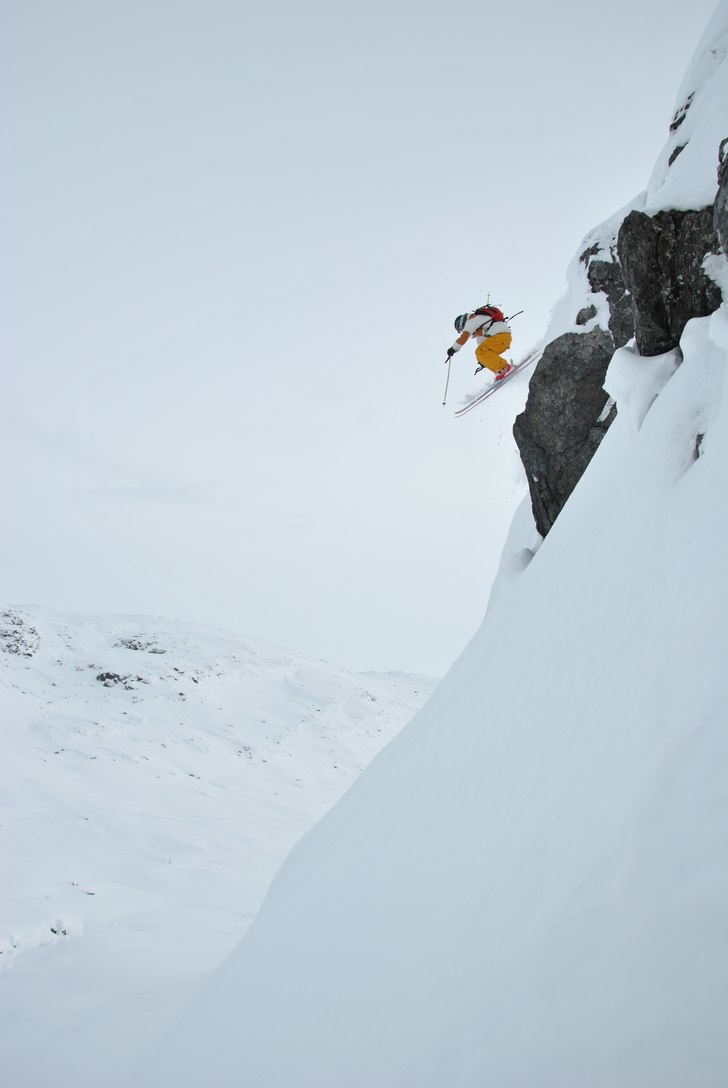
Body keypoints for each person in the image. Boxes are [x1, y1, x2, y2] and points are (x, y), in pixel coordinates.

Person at [446, 305, 513, 380]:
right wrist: (483, 361)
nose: (464, 330)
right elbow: (482, 347)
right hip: (503, 339)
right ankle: (500, 370)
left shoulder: (472, 321)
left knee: (479, 352)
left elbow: (464, 337)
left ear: (463, 323)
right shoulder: (479, 328)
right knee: (479, 353)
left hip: (500, 337)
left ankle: (503, 368)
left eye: (462, 329)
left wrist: (453, 349)